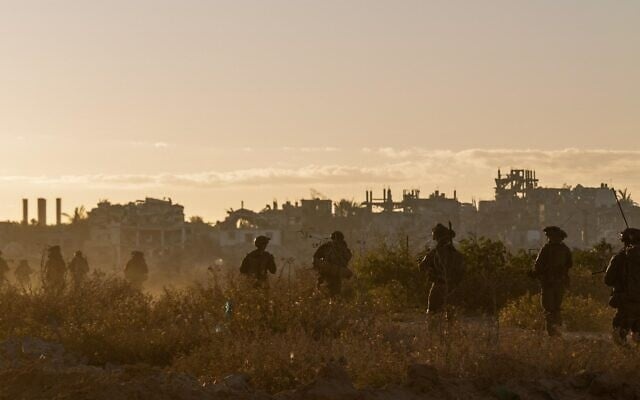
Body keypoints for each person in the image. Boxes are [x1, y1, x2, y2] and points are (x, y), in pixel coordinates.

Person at [530, 226, 572, 336]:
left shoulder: (547, 249)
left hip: (551, 283)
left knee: (551, 309)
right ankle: (556, 332)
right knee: (554, 309)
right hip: (555, 283)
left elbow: (538, 266)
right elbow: (569, 264)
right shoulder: (563, 249)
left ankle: (554, 333)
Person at [419, 223, 465, 318]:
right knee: (451, 315)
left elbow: (422, 266)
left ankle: (433, 331)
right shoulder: (457, 255)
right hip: (453, 287)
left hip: (439, 285)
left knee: (432, 312)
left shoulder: (434, 253)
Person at [604, 228, 640, 345]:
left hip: (626, 301)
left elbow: (608, 280)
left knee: (619, 335)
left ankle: (625, 358)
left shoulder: (619, 258)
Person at [313, 231, 353, 296]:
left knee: (325, 292)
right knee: (335, 292)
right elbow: (348, 258)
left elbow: (315, 258)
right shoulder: (344, 249)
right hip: (336, 273)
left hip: (328, 273)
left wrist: (320, 266)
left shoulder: (327, 247)